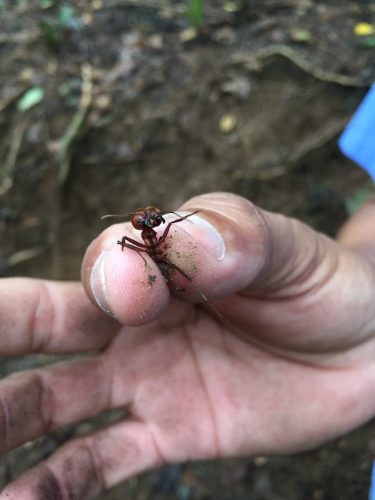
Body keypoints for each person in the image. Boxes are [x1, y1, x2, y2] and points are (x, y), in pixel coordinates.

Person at [0, 192, 374, 499]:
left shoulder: (165, 236)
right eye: (146, 221)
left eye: (152, 219)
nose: (151, 223)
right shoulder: (145, 242)